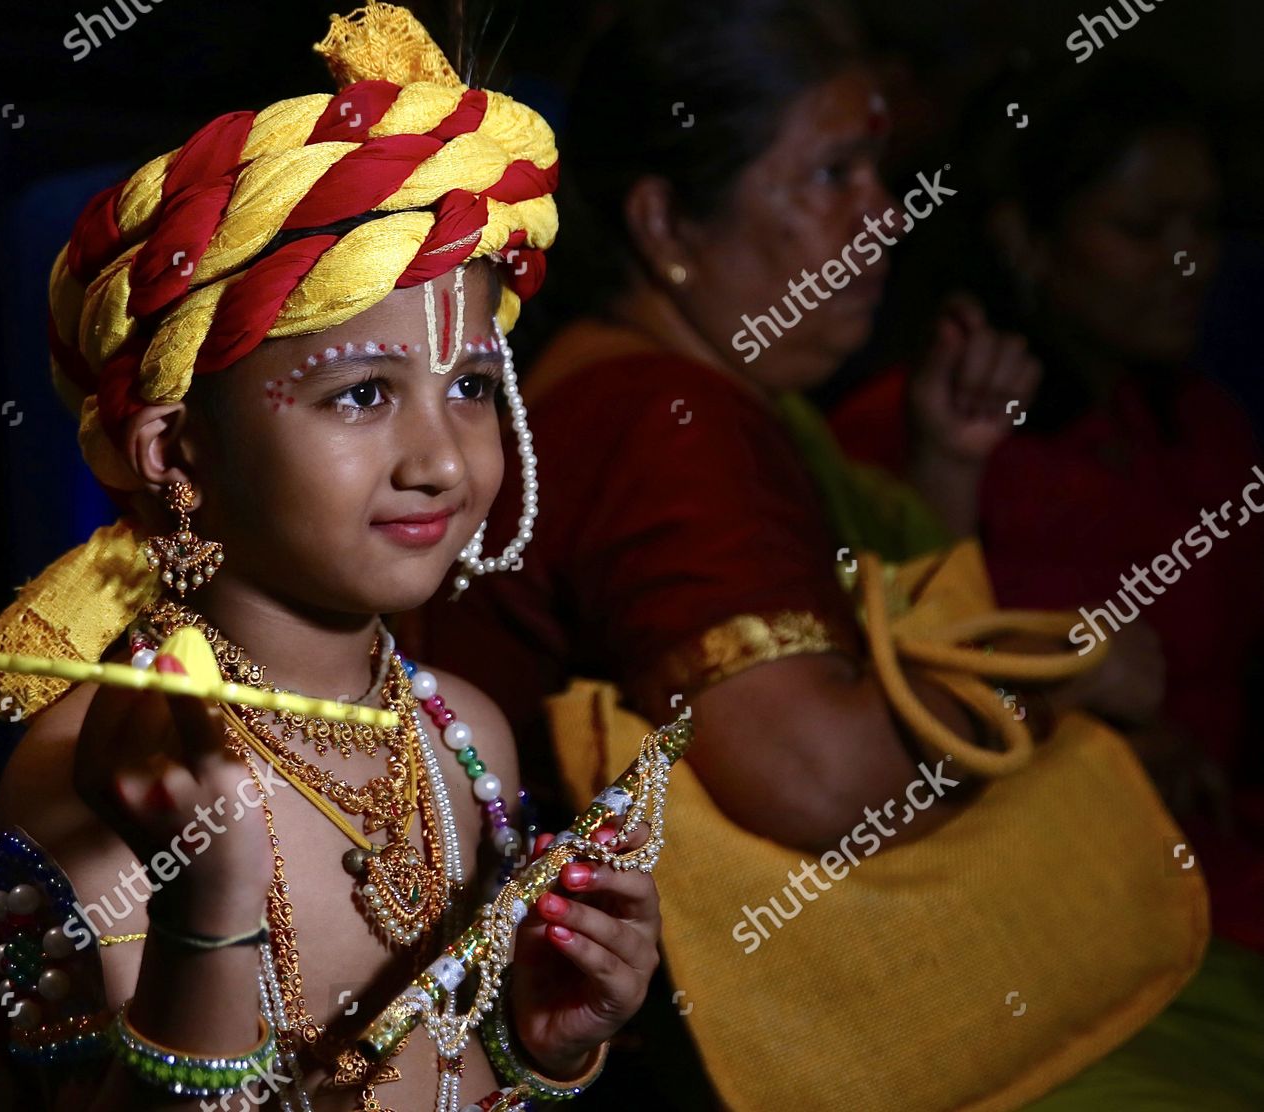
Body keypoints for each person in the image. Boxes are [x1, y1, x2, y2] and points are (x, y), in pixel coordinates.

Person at [406, 1, 1264, 1107]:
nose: (884, 219)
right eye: (831, 177)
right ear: (666, 222)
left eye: (882, 171)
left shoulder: (671, 391)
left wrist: (946, 472)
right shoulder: (662, 420)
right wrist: (1064, 676)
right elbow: (812, 776)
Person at [0, 6, 660, 1111]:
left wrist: (548, 1041)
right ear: (176, 444)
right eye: (364, 392)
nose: (439, 459)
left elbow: (452, 1068)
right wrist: (211, 909)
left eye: (473, 386)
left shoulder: (464, 736)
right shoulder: (101, 773)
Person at [830, 62, 1264, 949]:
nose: (1192, 262)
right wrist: (1086, 742)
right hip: (1046, 910)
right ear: (1025, 239)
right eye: (1143, 230)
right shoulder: (905, 442)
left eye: (1205, 225)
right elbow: (899, 728)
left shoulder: (1204, 429)